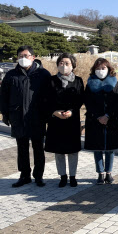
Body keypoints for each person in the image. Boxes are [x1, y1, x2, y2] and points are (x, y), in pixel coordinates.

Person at [0, 46, 52, 187]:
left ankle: (39, 176)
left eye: (26, 55)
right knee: (22, 148)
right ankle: (24, 175)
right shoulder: (11, 75)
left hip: (37, 117)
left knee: (38, 148)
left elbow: (50, 97)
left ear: (33, 57)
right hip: (18, 116)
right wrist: (5, 113)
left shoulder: (43, 74)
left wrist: (48, 115)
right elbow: (3, 96)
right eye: (20, 56)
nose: (23, 58)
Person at [44, 53, 85, 187]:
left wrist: (71, 111)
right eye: (61, 63)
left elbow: (80, 99)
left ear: (73, 65)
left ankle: (73, 176)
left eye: (67, 63)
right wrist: (54, 112)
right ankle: (62, 176)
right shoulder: (51, 80)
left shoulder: (78, 80)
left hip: (72, 120)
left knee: (73, 150)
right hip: (56, 119)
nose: (64, 66)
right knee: (59, 151)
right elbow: (46, 99)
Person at [84, 58, 118, 185]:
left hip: (111, 120)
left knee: (110, 148)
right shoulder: (90, 83)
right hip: (95, 119)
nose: (100, 71)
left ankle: (109, 173)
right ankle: (100, 173)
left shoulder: (114, 82)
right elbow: (88, 102)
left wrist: (108, 116)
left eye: (103, 68)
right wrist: (98, 116)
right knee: (97, 148)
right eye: (98, 68)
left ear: (109, 69)